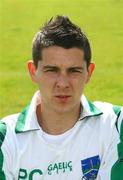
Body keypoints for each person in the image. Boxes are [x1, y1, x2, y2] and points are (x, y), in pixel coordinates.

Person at [0, 15, 122, 180]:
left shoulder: (115, 125)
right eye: (52, 70)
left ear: (89, 72)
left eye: (74, 71)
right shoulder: (5, 138)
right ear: (33, 71)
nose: (63, 83)